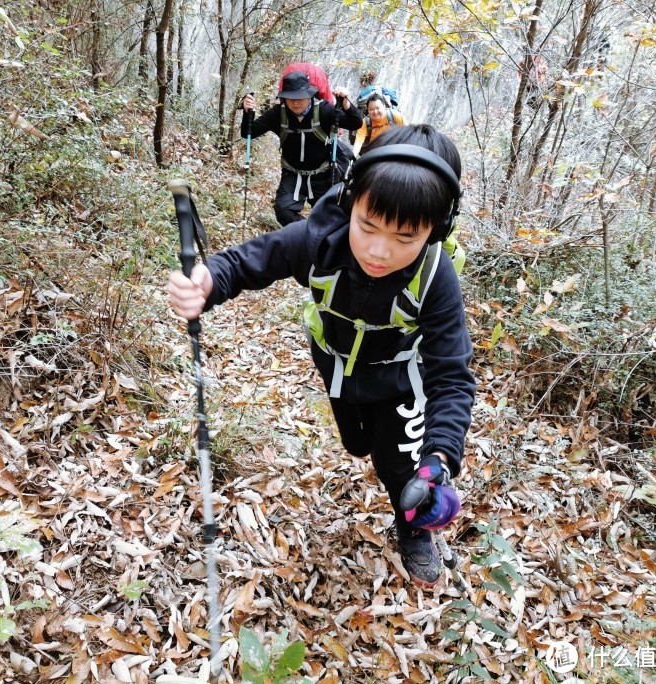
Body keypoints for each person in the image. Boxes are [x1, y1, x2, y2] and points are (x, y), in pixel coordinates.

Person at [168, 124, 475, 588]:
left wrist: (440, 457)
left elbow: (451, 376)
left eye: (404, 238)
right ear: (351, 202)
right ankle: (376, 446)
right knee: (357, 444)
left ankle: (413, 530)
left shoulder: (435, 277)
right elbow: (249, 261)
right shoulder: (319, 241)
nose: (378, 250)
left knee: (401, 465)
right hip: (335, 364)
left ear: (436, 230)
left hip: (398, 377)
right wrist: (206, 283)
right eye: (368, 225)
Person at [241, 70, 362, 226]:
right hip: (292, 174)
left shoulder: (324, 110)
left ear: (310, 95)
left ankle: (316, 240)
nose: (295, 102)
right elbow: (249, 132)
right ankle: (306, 234)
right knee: (284, 212)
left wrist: (345, 103)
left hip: (323, 174)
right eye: (291, 98)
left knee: (329, 217)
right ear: (284, 98)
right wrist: (247, 113)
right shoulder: (278, 114)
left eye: (300, 97)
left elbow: (355, 123)